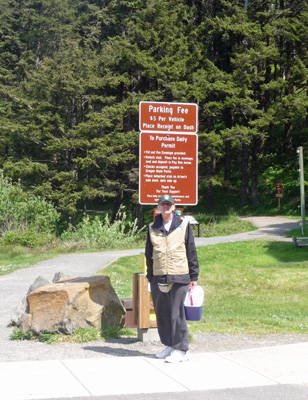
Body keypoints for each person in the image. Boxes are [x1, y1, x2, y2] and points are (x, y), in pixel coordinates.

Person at [145, 194, 199, 363]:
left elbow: (191, 250)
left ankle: (182, 350)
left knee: (177, 314)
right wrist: (150, 276)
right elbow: (149, 254)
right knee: (163, 314)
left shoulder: (183, 225)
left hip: (180, 275)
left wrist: (194, 275)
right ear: (158, 207)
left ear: (174, 207)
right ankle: (170, 345)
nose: (166, 207)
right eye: (163, 204)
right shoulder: (152, 227)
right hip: (159, 276)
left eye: (169, 204)